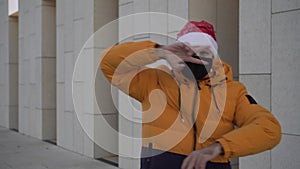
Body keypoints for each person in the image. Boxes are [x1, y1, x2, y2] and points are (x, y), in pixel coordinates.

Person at [100, 20, 281, 169]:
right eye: (188, 52)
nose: (194, 58)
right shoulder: (155, 82)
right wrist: (159, 52)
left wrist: (220, 147)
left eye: (203, 53)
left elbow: (268, 129)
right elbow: (109, 63)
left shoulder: (232, 91)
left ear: (214, 57)